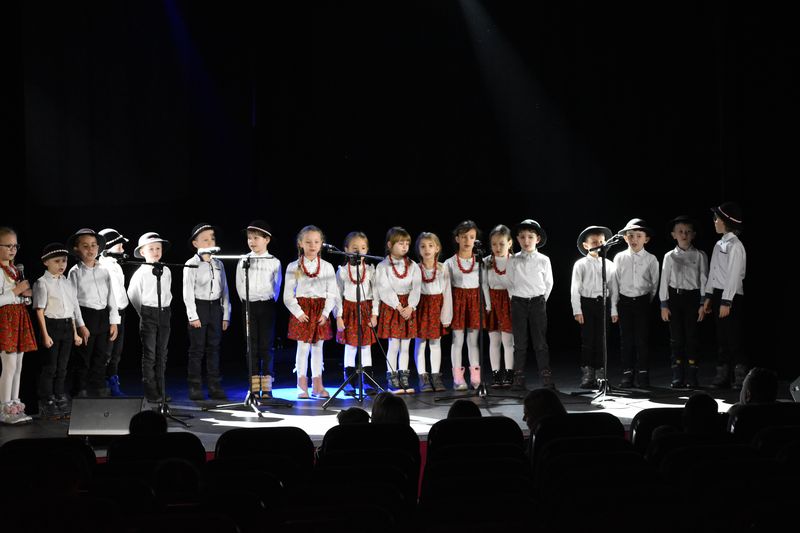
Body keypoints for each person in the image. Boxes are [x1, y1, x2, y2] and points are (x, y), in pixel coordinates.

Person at [283, 225, 337, 399]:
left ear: (321, 243)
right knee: (303, 347)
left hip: (320, 311)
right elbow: (288, 295)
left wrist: (326, 313)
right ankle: (301, 385)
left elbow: (332, 293)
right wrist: (298, 312)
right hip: (303, 311)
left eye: (316, 242)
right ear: (300, 243)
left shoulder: (327, 267)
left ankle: (318, 385)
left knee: (318, 347)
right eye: (308, 242)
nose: (312, 245)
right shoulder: (294, 267)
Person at [67, 228, 120, 397]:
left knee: (101, 355)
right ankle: (80, 389)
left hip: (102, 316)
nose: (90, 249)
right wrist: (81, 325)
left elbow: (111, 296)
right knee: (83, 356)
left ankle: (97, 387)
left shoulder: (104, 270)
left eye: (93, 245)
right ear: (77, 249)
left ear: (98, 247)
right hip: (85, 315)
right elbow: (73, 301)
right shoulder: (75, 272)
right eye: (85, 246)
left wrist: (114, 321)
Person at [33, 243, 83, 419]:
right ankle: (46, 399)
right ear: (46, 262)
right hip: (51, 326)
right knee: (50, 367)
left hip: (67, 326)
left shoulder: (67, 283)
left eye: (64, 261)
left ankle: (59, 394)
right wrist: (45, 335)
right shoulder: (42, 283)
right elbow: (39, 310)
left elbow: (71, 308)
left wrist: (75, 333)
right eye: (57, 261)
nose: (62, 264)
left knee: (63, 367)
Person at [659, 216, 709, 388]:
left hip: (693, 298)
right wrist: (664, 304)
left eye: (688, 232)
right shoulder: (669, 256)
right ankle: (677, 375)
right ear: (674, 235)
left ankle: (692, 376)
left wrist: (702, 304)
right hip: (675, 298)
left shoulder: (700, 255)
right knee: (676, 339)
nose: (684, 235)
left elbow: (704, 280)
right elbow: (664, 281)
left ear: (693, 234)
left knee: (692, 337)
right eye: (680, 231)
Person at [183, 223, 231, 401]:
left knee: (214, 348)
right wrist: (193, 315)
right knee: (197, 349)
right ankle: (195, 386)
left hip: (215, 308)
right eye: (205, 239)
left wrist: (226, 314)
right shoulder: (191, 264)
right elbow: (187, 292)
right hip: (199, 307)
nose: (210, 241)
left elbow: (225, 290)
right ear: (195, 243)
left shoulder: (219, 264)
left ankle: (214, 385)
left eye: (212, 238)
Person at [235, 220, 282, 399]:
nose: (252, 241)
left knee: (266, 346)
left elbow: (277, 285)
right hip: (249, 305)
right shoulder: (243, 260)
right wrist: (247, 299)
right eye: (249, 238)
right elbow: (239, 284)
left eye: (256, 238)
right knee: (251, 345)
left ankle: (267, 387)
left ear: (266, 240)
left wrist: (269, 299)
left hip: (266, 305)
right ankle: (254, 386)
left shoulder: (274, 262)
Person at [703, 202, 747, 389]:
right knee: (722, 337)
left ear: (726, 222)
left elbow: (734, 274)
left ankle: (740, 376)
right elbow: (713, 271)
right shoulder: (719, 244)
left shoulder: (735, 245)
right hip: (718, 294)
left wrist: (726, 301)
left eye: (717, 219)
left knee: (733, 337)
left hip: (731, 295)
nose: (714, 222)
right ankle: (723, 375)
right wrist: (708, 296)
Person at [507, 219, 554, 390]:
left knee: (540, 342)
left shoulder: (543, 260)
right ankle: (518, 377)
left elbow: (548, 283)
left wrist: (540, 300)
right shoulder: (513, 260)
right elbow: (510, 282)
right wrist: (516, 299)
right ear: (517, 239)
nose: (526, 241)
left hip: (537, 302)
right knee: (520, 342)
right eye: (522, 237)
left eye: (530, 237)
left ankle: (546, 376)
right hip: (518, 303)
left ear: (537, 239)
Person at [612, 218, 659, 388]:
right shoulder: (619, 257)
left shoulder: (651, 259)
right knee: (626, 340)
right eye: (630, 235)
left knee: (642, 340)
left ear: (646, 239)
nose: (634, 239)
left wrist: (646, 301)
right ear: (625, 238)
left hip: (642, 302)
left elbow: (654, 284)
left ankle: (643, 374)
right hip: (624, 302)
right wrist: (614, 307)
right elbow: (615, 283)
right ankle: (627, 374)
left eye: (639, 236)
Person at [570, 226, 618, 389]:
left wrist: (614, 310)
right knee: (588, 340)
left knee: (602, 340)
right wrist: (577, 310)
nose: (599, 245)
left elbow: (613, 289)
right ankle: (588, 373)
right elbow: (575, 288)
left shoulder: (609, 264)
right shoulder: (580, 264)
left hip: (603, 304)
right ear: (586, 245)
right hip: (587, 304)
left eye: (601, 242)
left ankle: (601, 373)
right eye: (594, 242)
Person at [127, 232, 173, 403]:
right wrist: (143, 312)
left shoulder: (166, 270)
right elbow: (132, 294)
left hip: (164, 312)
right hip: (148, 313)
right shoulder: (141, 272)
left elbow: (167, 291)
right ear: (143, 252)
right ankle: (151, 390)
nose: (155, 252)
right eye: (151, 249)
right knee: (150, 354)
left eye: (158, 248)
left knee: (162, 353)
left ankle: (162, 388)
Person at [376, 227, 421, 394]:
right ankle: (392, 377)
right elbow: (384, 288)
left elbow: (416, 287)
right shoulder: (383, 266)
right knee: (394, 345)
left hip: (408, 307)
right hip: (393, 307)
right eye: (400, 243)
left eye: (407, 243)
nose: (404, 246)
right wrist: (398, 306)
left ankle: (404, 378)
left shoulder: (413, 266)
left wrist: (411, 306)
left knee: (406, 345)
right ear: (390, 244)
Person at [334, 231, 380, 396]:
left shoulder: (370, 270)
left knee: (365, 345)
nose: (359, 251)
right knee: (351, 346)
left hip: (365, 309)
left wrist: (374, 314)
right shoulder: (342, 272)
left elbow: (376, 294)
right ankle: (349, 380)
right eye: (354, 248)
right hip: (349, 310)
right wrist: (339, 316)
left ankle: (367, 380)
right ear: (346, 249)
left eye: (362, 248)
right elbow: (337, 295)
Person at [0, 227, 37, 424]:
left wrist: (25, 296)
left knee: (19, 365)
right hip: (5, 319)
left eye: (15, 246)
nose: (13, 250)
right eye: (8, 246)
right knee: (9, 365)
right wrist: (16, 291)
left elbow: (18, 295)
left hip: (19, 316)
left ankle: (15, 403)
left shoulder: (15, 270)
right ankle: (4, 407)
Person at [444, 220, 482, 391]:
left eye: (471, 237)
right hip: (458, 302)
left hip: (474, 302)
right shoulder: (450, 263)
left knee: (473, 341)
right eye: (464, 236)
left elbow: (484, 284)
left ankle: (475, 375)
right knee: (457, 340)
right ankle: (458, 378)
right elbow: (446, 288)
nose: (468, 241)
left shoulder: (480, 261)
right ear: (457, 238)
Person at [413, 232, 452, 392]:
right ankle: (423, 376)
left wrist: (446, 316)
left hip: (437, 306)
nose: (427, 249)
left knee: (435, 343)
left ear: (437, 248)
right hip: (421, 307)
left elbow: (447, 293)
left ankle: (436, 376)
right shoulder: (415, 268)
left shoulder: (443, 268)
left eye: (430, 246)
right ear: (418, 250)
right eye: (423, 246)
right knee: (420, 342)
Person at [98, 228, 130, 396]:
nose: (122, 249)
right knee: (107, 352)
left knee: (117, 352)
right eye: (119, 246)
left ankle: (113, 380)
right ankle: (101, 384)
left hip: (121, 312)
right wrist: (113, 317)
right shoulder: (102, 267)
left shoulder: (116, 266)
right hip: (110, 314)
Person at [484, 224, 515, 388]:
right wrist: (488, 305)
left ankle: (509, 373)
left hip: (509, 301)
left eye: (501, 244)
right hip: (493, 302)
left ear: (509, 243)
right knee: (494, 340)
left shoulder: (515, 261)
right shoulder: (486, 262)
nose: (497, 247)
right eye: (494, 244)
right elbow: (484, 285)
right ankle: (496, 374)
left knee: (508, 341)